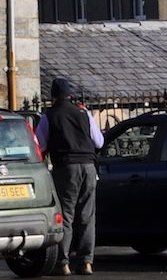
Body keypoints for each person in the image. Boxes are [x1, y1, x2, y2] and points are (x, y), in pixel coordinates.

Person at [35, 77, 105, 275]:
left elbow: (39, 145)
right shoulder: (84, 113)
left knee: (65, 216)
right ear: (70, 95)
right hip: (89, 166)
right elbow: (99, 142)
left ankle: (62, 263)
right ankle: (86, 262)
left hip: (66, 167)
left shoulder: (50, 116)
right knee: (87, 217)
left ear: (53, 96)